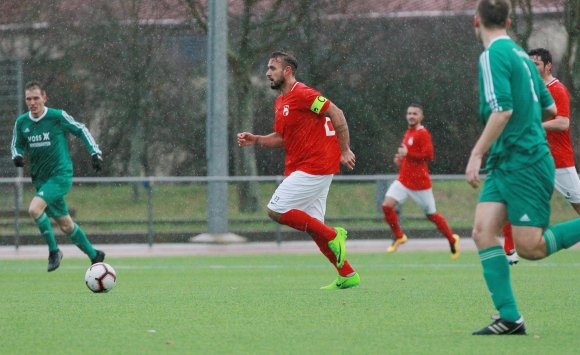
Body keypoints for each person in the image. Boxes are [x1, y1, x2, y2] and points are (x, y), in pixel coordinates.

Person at [466, 0, 580, 335]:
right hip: (508, 160)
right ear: (510, 20)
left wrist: (476, 154)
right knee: (483, 232)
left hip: (526, 160)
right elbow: (546, 108)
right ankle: (510, 318)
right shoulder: (521, 56)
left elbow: (501, 111)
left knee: (530, 247)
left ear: (476, 22)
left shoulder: (493, 55)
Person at [237, 51, 359, 289]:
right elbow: (283, 137)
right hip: (307, 165)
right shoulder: (281, 101)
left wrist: (345, 150)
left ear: (287, 71)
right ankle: (347, 274)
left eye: (272, 68)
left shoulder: (302, 94)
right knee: (315, 228)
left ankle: (335, 235)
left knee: (276, 209)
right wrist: (257, 139)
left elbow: (337, 113)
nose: (267, 73)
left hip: (316, 165)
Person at [11, 81, 105, 272]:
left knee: (34, 209)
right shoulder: (22, 122)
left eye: (36, 98)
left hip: (60, 175)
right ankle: (94, 255)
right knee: (65, 224)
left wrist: (95, 152)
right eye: (29, 99)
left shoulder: (56, 116)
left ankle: (54, 251)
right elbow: (16, 144)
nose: (32, 102)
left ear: (44, 98)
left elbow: (80, 129)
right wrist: (17, 155)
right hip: (41, 180)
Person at [501, 47, 580, 265]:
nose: (531, 67)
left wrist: (535, 125)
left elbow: (563, 122)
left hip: (559, 161)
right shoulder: (527, 90)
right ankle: (509, 249)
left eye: (535, 63)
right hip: (534, 159)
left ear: (547, 66)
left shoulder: (557, 89)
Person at [381, 104, 460, 260]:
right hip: (403, 180)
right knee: (386, 205)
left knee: (431, 215)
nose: (411, 116)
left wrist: (408, 154)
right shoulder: (408, 133)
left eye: (415, 114)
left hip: (419, 183)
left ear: (421, 117)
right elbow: (408, 156)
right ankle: (399, 236)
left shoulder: (423, 134)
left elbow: (428, 155)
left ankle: (452, 239)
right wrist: (401, 159)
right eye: (409, 113)